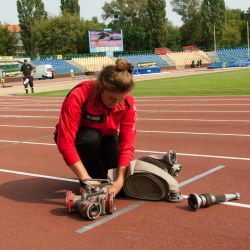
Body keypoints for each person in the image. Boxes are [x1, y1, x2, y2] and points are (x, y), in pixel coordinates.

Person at [55, 59, 136, 196]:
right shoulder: (79, 95)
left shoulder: (128, 102)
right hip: (82, 138)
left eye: (120, 99)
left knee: (117, 186)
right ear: (100, 87)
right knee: (90, 139)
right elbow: (65, 142)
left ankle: (97, 174)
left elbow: (127, 144)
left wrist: (120, 180)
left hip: (107, 137)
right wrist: (86, 179)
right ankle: (87, 178)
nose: (116, 104)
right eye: (111, 98)